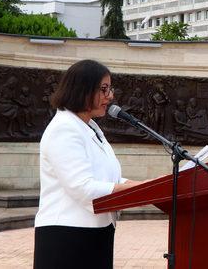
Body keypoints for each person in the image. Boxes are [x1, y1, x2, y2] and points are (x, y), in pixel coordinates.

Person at [34, 59, 147, 269]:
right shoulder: (64, 129)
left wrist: (148, 186)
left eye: (110, 89)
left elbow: (107, 178)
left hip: (94, 233)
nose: (110, 96)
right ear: (82, 90)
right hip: (68, 239)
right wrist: (142, 189)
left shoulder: (89, 127)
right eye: (104, 89)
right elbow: (83, 187)